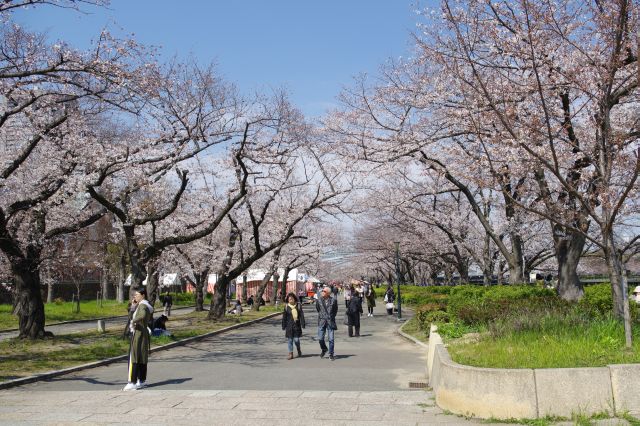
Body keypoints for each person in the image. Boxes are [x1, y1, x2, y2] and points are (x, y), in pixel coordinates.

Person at [124, 288, 153, 391]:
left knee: (134, 357)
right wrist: (132, 307)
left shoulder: (143, 306)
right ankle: (141, 380)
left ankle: (132, 382)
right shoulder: (141, 305)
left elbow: (142, 315)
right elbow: (135, 315)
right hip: (142, 333)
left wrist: (133, 321)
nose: (135, 296)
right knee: (141, 357)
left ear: (143, 295)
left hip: (138, 334)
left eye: (137, 295)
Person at [315, 285, 338, 360]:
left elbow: (335, 310)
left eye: (324, 291)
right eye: (322, 291)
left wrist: (331, 316)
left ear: (328, 293)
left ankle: (331, 353)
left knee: (331, 339)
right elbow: (318, 309)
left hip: (330, 321)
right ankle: (324, 349)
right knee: (320, 338)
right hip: (322, 320)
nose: (322, 292)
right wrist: (322, 315)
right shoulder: (319, 300)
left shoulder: (333, 300)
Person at [282, 292, 306, 359]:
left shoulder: (298, 305)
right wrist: (283, 325)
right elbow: (284, 317)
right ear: (288, 300)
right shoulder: (286, 307)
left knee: (296, 340)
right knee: (290, 340)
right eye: (289, 299)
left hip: (296, 326)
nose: (290, 300)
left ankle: (298, 349)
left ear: (294, 299)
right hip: (289, 326)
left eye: (292, 298)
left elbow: (301, 315)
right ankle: (290, 354)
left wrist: (303, 323)